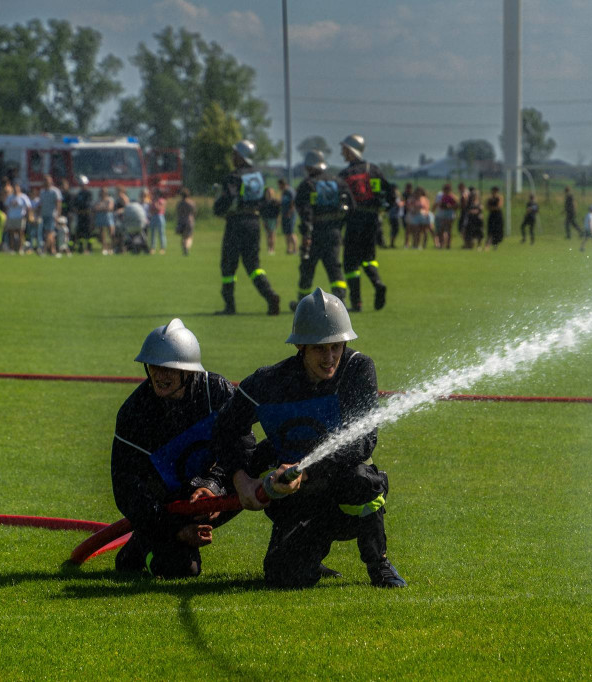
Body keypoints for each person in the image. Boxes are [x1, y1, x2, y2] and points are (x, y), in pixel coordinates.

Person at [212, 288, 406, 589]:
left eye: (336, 346)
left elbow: (364, 441)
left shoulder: (357, 370)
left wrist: (306, 469)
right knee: (283, 577)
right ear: (301, 345)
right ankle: (309, 555)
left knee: (363, 479)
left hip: (343, 491)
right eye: (319, 348)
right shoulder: (268, 383)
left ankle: (378, 562)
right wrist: (240, 479)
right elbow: (225, 429)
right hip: (294, 498)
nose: (330, 358)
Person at [111, 319, 253, 578]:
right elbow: (126, 488)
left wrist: (212, 486)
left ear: (189, 372)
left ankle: (295, 547)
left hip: (214, 492)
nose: (159, 375)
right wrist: (175, 529)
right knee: (182, 569)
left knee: (268, 465)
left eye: (170, 369)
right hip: (164, 507)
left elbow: (244, 448)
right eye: (154, 366)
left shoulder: (217, 393)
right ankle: (143, 546)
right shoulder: (134, 413)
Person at [213, 139, 282, 315]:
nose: (232, 157)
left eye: (235, 154)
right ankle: (270, 294)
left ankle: (230, 306)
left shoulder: (234, 177)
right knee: (253, 265)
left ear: (241, 157)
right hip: (254, 223)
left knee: (228, 265)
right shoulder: (259, 176)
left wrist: (217, 209)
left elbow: (228, 198)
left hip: (236, 223)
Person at [290, 150, 352, 310]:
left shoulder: (307, 185)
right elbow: (350, 206)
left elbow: (305, 212)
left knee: (307, 268)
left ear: (309, 167)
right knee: (334, 268)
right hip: (334, 232)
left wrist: (306, 234)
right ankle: (341, 302)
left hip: (314, 233)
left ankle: (301, 304)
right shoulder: (338, 182)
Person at [338, 134, 392, 312]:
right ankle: (378, 284)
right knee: (369, 258)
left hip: (354, 220)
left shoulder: (345, 174)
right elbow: (389, 193)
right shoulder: (373, 170)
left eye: (344, 149)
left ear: (351, 150)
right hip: (372, 221)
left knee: (351, 263)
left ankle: (357, 302)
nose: (342, 153)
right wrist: (383, 210)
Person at [3, 184, 32, 254]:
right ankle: (12, 248)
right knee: (11, 233)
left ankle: (20, 248)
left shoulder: (23, 197)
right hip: (11, 217)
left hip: (20, 217)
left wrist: (29, 216)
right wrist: (6, 216)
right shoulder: (10, 197)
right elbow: (6, 207)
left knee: (20, 233)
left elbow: (28, 206)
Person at [38, 175, 62, 257]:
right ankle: (53, 250)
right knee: (49, 233)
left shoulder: (55, 191)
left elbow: (58, 204)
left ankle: (44, 250)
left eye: (47, 181)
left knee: (49, 232)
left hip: (52, 215)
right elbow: (41, 204)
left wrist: (58, 215)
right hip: (44, 214)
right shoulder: (42, 192)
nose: (46, 182)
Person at [433, 183, 458, 249]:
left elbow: (456, 205)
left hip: (449, 215)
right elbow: (438, 204)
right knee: (442, 230)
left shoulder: (452, 196)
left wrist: (449, 206)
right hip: (442, 214)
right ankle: (442, 244)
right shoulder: (441, 196)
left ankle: (448, 244)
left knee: (448, 230)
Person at [72, 176, 94, 253]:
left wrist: (82, 209)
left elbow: (88, 204)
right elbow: (75, 204)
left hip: (87, 216)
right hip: (80, 216)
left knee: (88, 232)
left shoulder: (89, 193)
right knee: (80, 232)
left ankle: (89, 248)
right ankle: (81, 248)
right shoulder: (78, 194)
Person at [277, 178, 298, 255]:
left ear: (282, 184)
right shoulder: (283, 192)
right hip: (284, 213)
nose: (278, 187)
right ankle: (289, 249)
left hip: (290, 214)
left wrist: (290, 212)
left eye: (279, 185)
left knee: (291, 232)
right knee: (286, 232)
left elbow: (293, 202)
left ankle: (295, 249)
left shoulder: (289, 191)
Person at [92, 187, 116, 255]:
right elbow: (95, 208)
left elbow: (110, 208)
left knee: (111, 233)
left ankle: (111, 248)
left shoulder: (110, 199)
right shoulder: (98, 200)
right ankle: (104, 248)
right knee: (102, 234)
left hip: (108, 218)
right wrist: (103, 208)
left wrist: (101, 208)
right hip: (100, 218)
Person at [175, 188, 197, 256]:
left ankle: (184, 248)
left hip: (181, 221)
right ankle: (187, 247)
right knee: (189, 237)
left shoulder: (179, 203)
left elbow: (177, 212)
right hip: (189, 221)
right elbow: (194, 212)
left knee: (183, 237)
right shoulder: (191, 203)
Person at [261, 187, 280, 255]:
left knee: (272, 234)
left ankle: (272, 248)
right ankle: (268, 248)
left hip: (273, 219)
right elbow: (262, 212)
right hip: (266, 219)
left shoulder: (275, 202)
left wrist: (278, 220)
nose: (269, 194)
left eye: (270, 192)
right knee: (267, 235)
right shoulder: (264, 202)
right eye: (268, 192)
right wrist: (263, 220)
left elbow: (278, 212)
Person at [148, 188, 167, 255]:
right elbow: (150, 210)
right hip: (153, 216)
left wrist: (155, 203)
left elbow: (159, 208)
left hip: (159, 217)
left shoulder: (161, 201)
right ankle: (152, 248)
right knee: (153, 233)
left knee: (161, 233)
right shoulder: (152, 201)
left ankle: (162, 248)